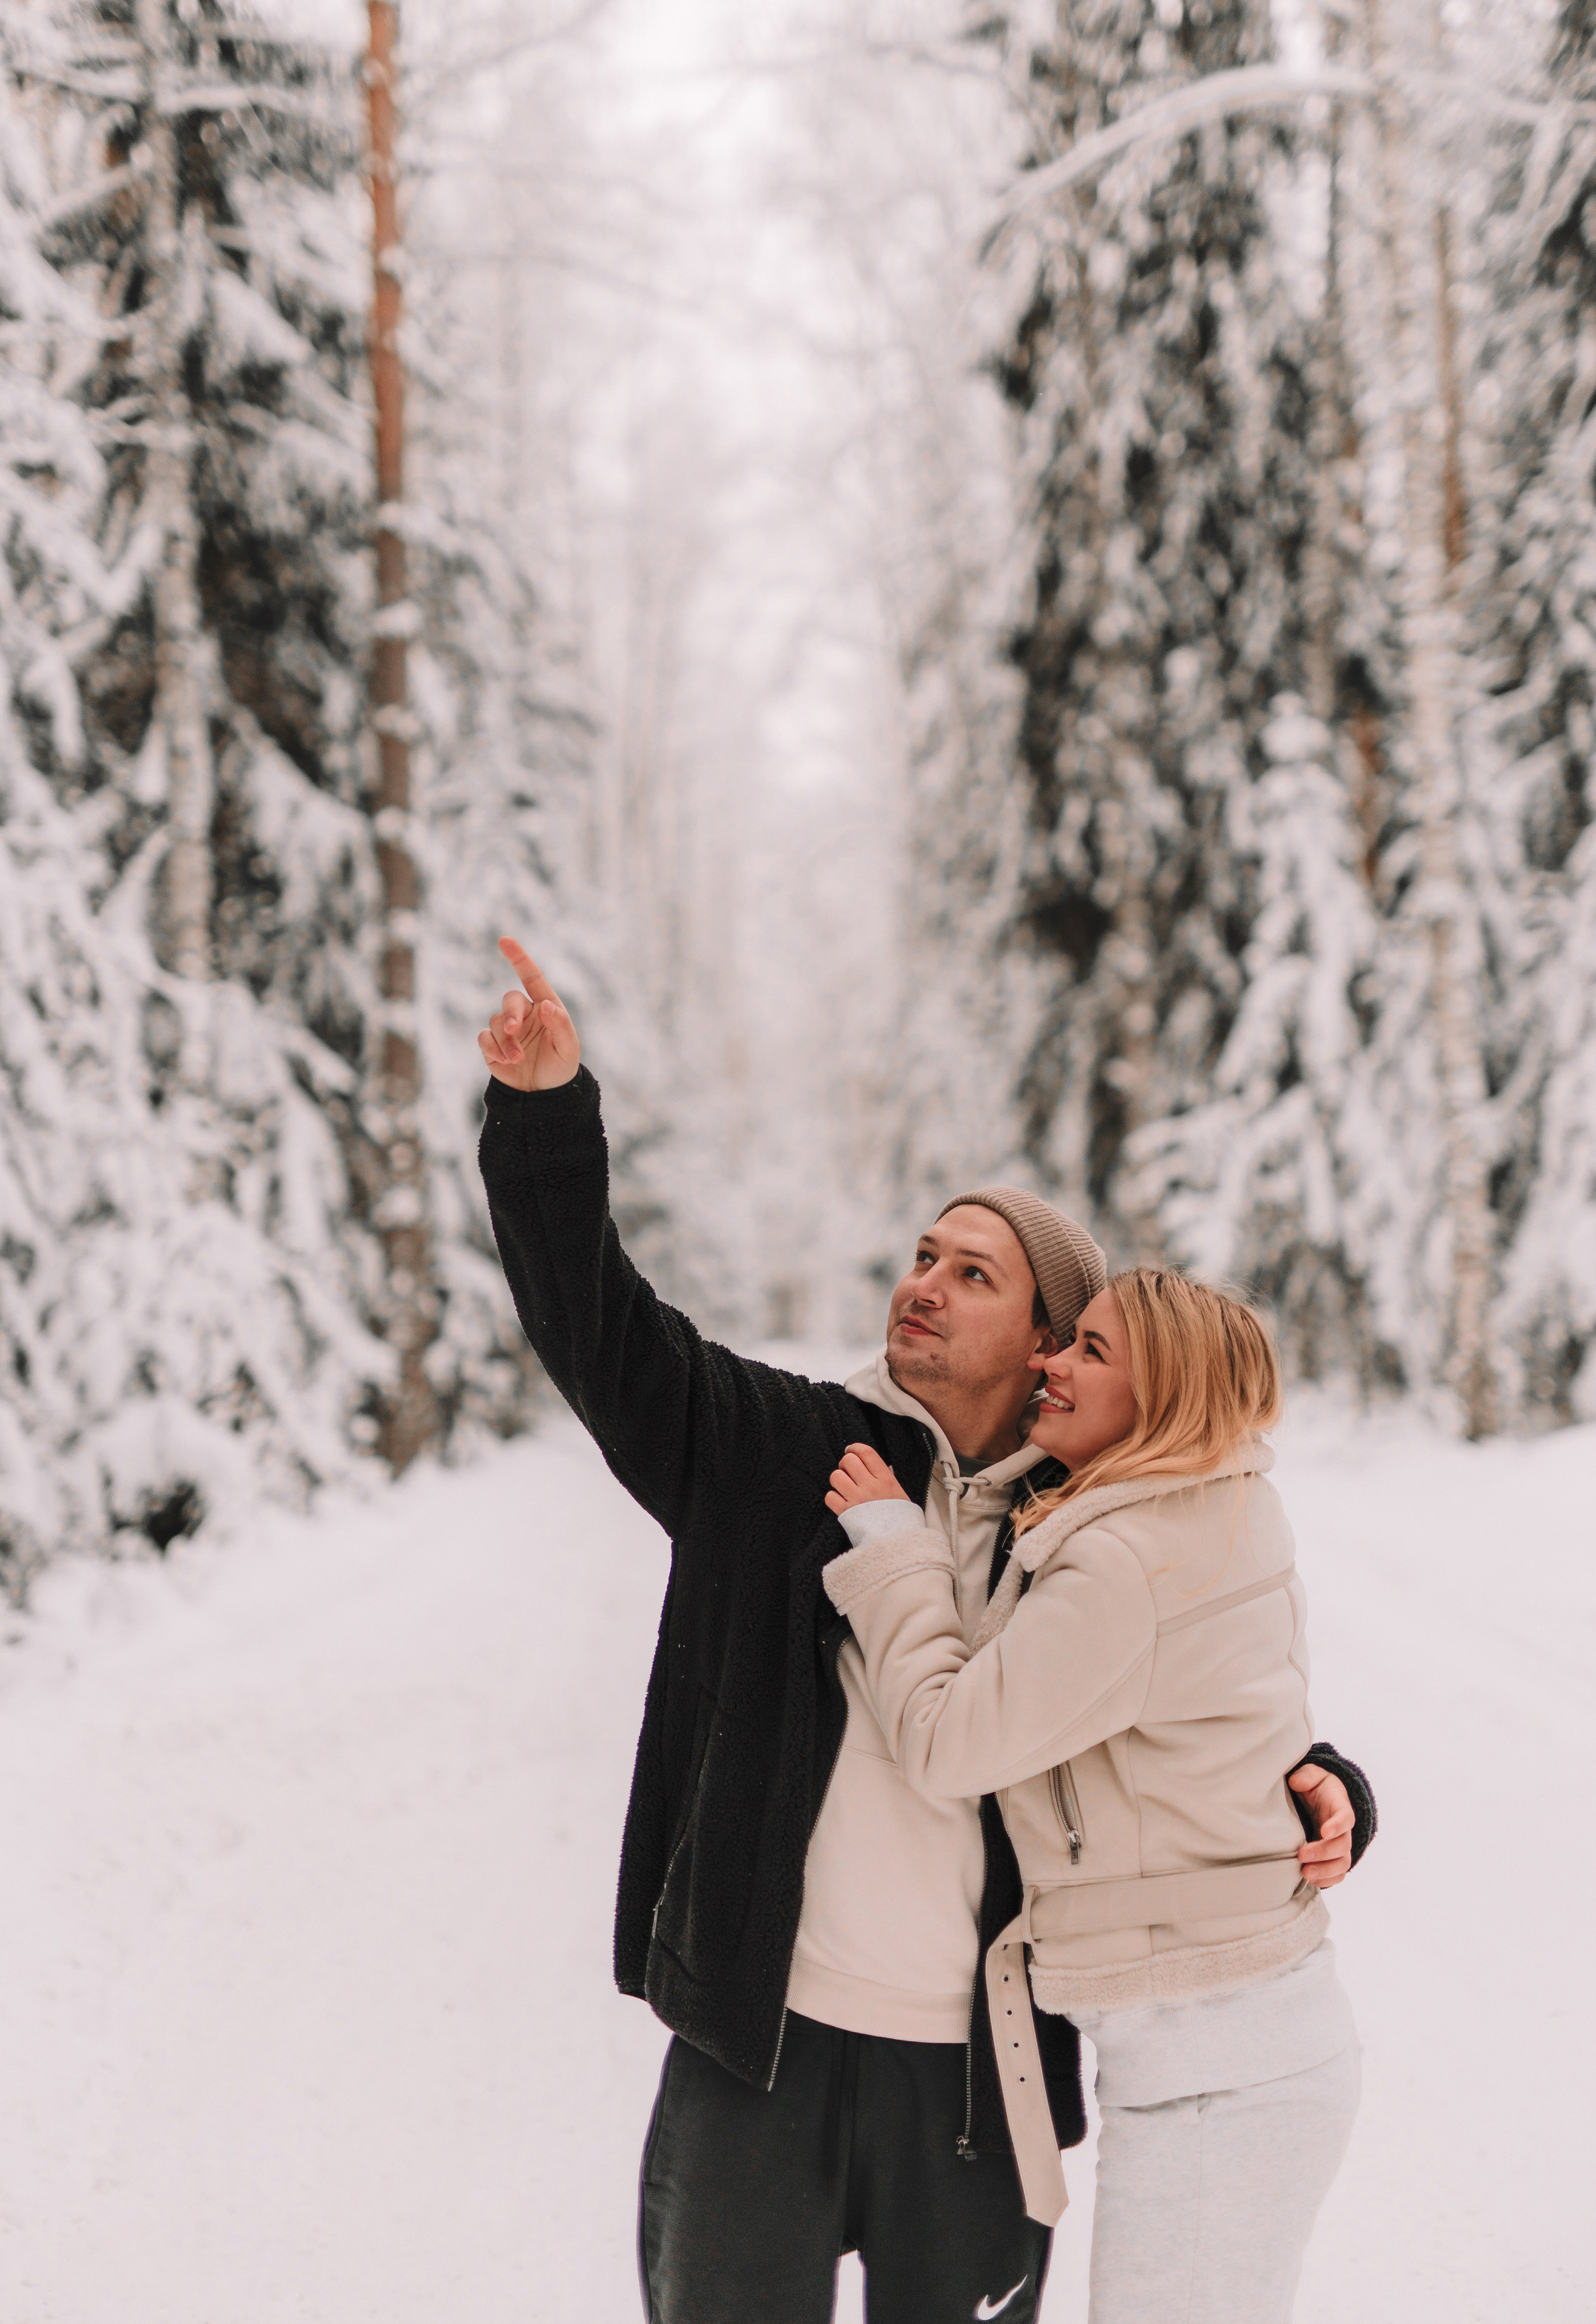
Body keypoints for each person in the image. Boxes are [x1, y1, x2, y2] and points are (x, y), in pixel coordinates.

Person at [475, 939, 1375, 2324]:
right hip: (754, 2055)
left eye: (973, 1272)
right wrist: (543, 1114)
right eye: (920, 1257)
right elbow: (605, 1337)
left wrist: (1314, 1775)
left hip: (975, 2085)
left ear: (1049, 1343)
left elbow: (1177, 1692)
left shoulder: (1090, 1520)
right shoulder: (784, 1450)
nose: (924, 1284)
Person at [822, 1268, 1361, 2324]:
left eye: (1091, 1353)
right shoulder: (1219, 1499)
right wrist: (1330, 1779)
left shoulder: (1122, 1558)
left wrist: (894, 1551)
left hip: (1218, 2065)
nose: (1048, 1362)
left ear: (1163, 1399)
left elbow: (944, 1742)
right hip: (1234, 2039)